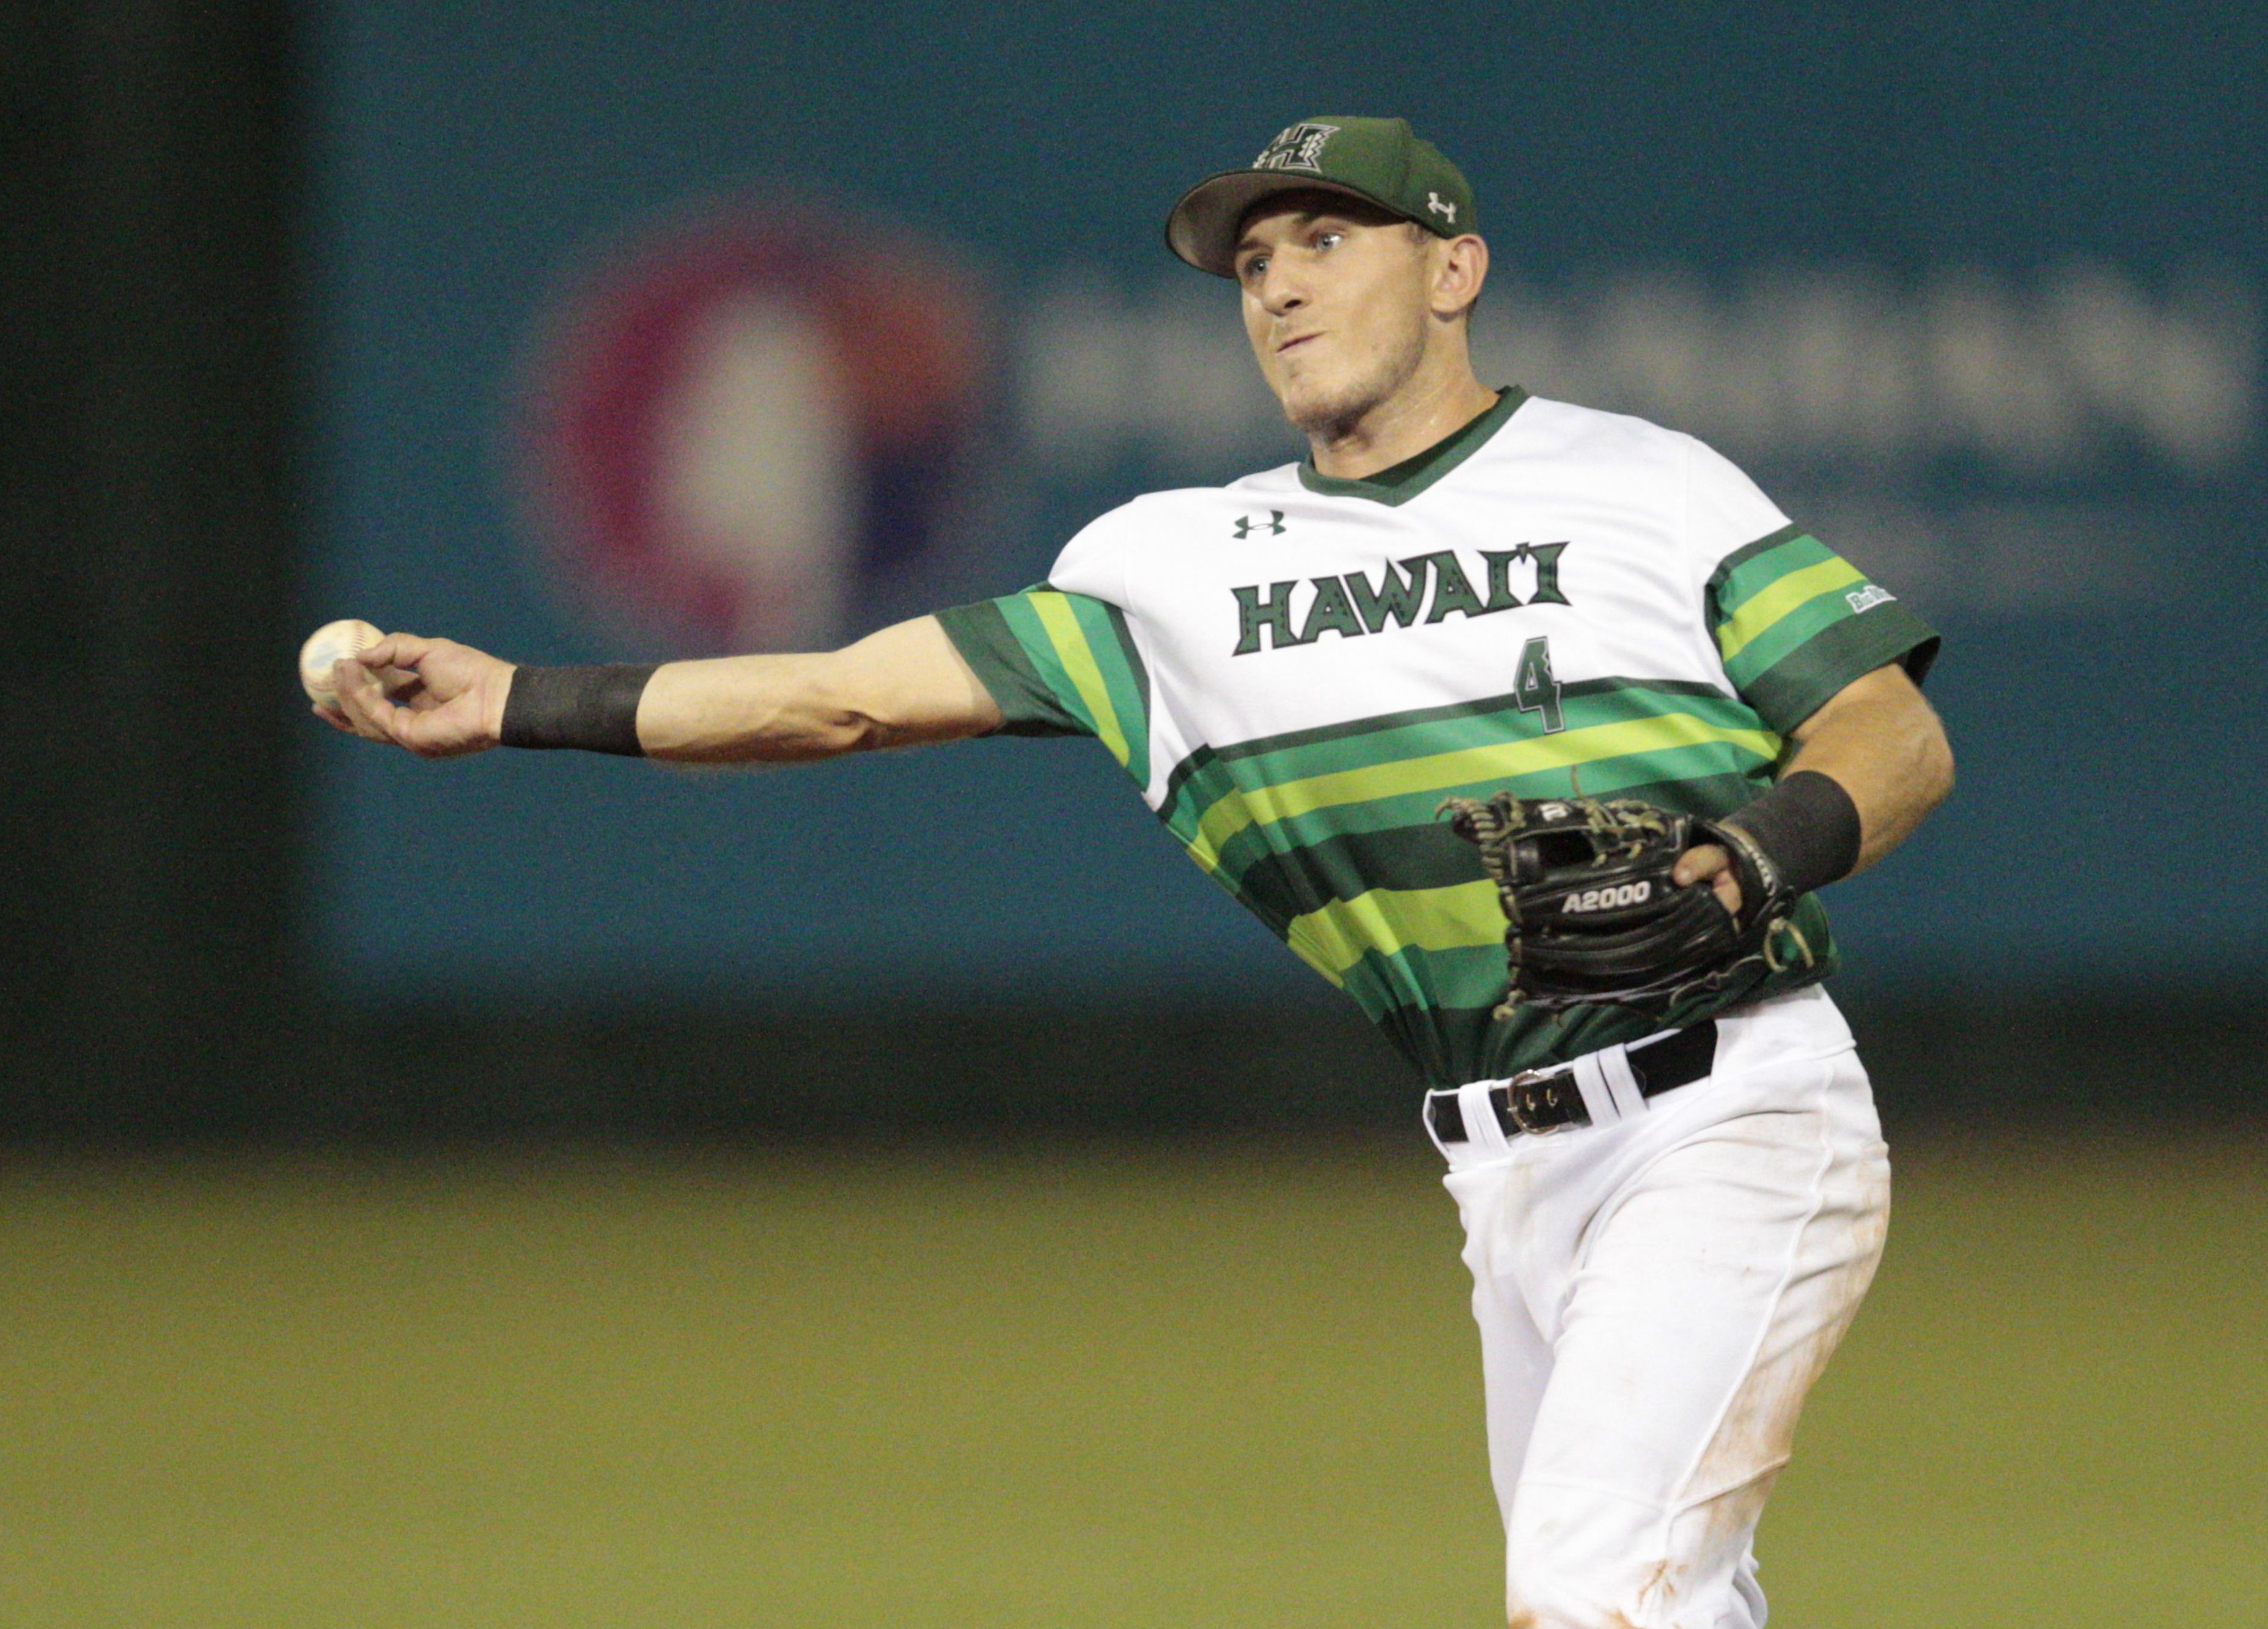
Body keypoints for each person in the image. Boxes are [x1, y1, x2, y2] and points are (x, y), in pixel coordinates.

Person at [320, 116, 1953, 1629]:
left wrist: (1753, 857)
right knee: (1660, 1591)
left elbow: (1889, 734)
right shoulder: (1162, 574)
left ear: (1454, 270)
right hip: (1503, 1176)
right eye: (1253, 264)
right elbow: (835, 697)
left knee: (1597, 1596)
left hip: (1725, 1112)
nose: (1280, 286)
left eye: (1326, 238)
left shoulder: (1641, 485)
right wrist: (515, 703)